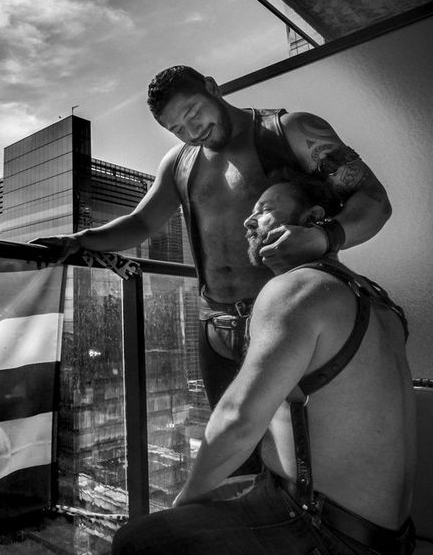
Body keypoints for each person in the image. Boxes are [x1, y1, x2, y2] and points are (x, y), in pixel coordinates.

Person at [31, 65, 392, 471]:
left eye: (193, 113)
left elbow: (374, 200)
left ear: (212, 87)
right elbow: (141, 223)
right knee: (236, 460)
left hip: (289, 321)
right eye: (176, 128)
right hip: (218, 329)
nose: (190, 131)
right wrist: (79, 240)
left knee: (308, 456)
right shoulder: (180, 163)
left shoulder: (289, 130)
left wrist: (324, 237)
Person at [110, 174, 416, 555]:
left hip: (323, 529)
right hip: (392, 535)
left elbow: (238, 421)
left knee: (137, 542)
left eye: (264, 210)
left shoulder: (296, 289)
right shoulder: (380, 300)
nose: (248, 221)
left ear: (314, 217)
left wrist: (184, 506)